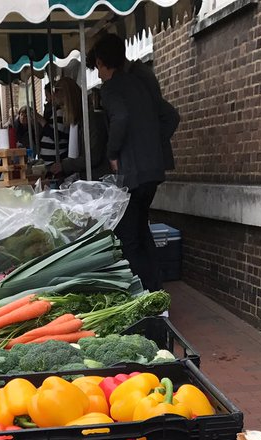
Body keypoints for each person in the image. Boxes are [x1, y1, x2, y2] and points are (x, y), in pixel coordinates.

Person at [87, 34, 180, 290]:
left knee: (128, 237)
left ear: (103, 62)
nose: (98, 75)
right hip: (153, 171)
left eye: (98, 68)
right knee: (141, 229)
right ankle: (155, 288)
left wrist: (112, 153)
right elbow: (171, 116)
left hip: (133, 174)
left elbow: (121, 117)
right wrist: (152, 144)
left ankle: (144, 292)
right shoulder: (141, 83)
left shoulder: (111, 89)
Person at [47, 76, 110, 180]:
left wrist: (65, 165)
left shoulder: (91, 120)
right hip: (89, 177)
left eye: (63, 105)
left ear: (68, 102)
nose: (62, 110)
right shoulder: (79, 122)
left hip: (98, 178)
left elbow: (93, 157)